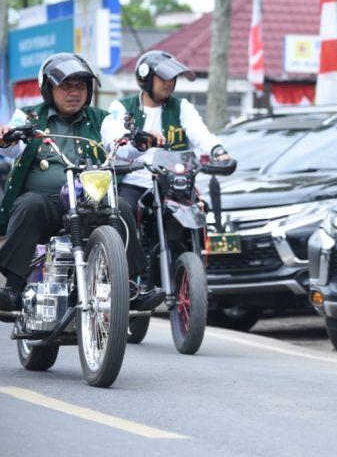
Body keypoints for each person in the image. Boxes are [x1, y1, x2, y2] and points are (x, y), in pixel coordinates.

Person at [0, 53, 147, 315]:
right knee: (29, 204)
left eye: (80, 86)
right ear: (48, 88)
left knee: (122, 209)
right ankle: (13, 287)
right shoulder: (31, 116)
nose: (74, 93)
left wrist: (136, 141)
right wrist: (7, 137)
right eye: (66, 86)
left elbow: (120, 141)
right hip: (47, 205)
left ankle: (132, 288)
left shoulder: (101, 118)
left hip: (89, 203)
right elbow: (13, 145)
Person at [102, 50, 230, 214]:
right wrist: (135, 140)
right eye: (163, 78)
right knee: (122, 213)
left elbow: (200, 132)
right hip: (134, 182)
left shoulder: (181, 107)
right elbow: (115, 141)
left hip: (174, 182)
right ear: (146, 78)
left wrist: (217, 150)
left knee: (198, 212)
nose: (169, 83)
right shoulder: (123, 108)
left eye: (172, 78)